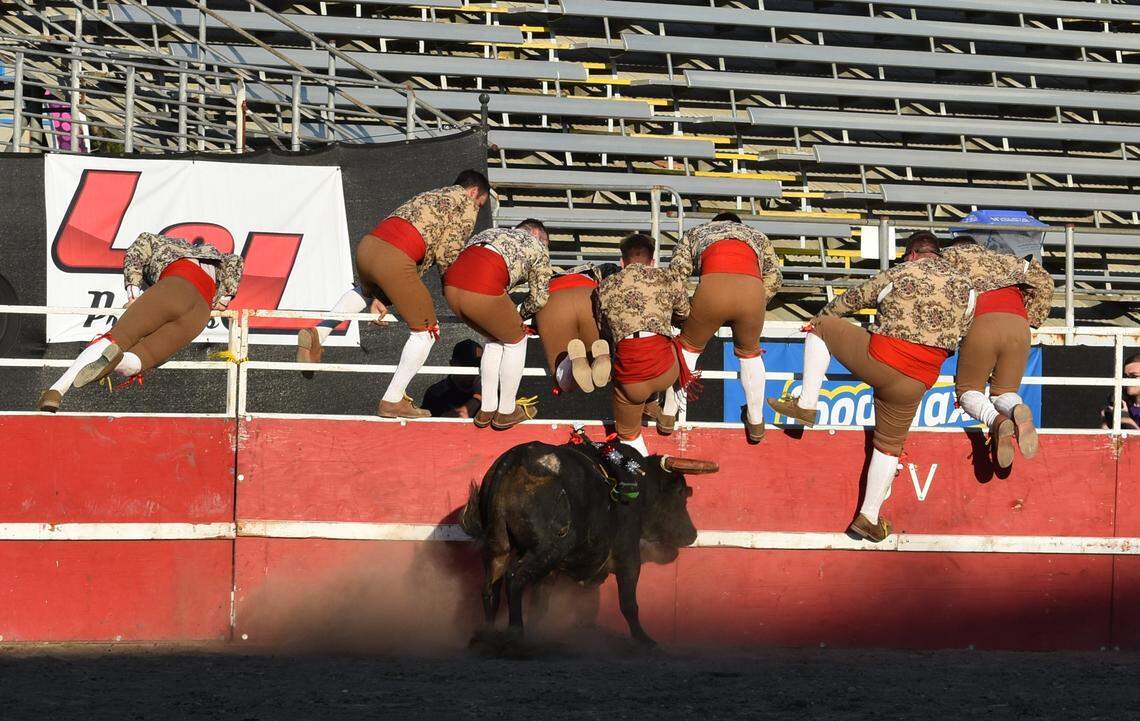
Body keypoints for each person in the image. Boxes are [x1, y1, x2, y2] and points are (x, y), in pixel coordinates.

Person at [767, 232, 975, 542]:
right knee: (889, 445)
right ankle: (868, 517)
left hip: (881, 359)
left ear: (913, 253)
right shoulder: (969, 289)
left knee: (823, 328)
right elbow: (962, 333)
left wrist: (819, 318)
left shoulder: (901, 272)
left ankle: (807, 404)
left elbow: (851, 299)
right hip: (918, 380)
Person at [295, 170, 490, 419]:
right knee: (427, 333)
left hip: (369, 248)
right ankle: (393, 399)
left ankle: (318, 332)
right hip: (396, 258)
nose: (477, 208)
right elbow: (447, 253)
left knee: (364, 292)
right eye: (480, 203)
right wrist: (455, 292)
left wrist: (383, 296)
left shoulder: (430, 195)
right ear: (474, 192)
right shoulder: (465, 202)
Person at [37, 232, 243, 412]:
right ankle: (118, 360)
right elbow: (236, 261)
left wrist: (133, 292)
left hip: (177, 286)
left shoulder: (161, 243)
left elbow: (136, 252)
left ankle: (56, 391)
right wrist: (224, 297)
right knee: (141, 360)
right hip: (199, 314)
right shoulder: (222, 259)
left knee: (115, 338)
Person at [664, 212, 783, 443]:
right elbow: (775, 277)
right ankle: (756, 421)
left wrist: (684, 309)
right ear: (740, 224)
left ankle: (669, 413)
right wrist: (758, 301)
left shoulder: (696, 232)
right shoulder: (757, 236)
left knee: (688, 349)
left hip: (712, 289)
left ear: (714, 223)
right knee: (750, 355)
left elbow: (676, 274)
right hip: (752, 291)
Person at [942, 235, 1054, 466]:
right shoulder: (1006, 260)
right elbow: (1045, 282)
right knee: (1003, 390)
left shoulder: (949, 257)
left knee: (967, 390)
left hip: (982, 321)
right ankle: (1015, 409)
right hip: (1019, 324)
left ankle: (995, 421)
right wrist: (1033, 316)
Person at [442, 219, 553, 431]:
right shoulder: (537, 245)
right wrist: (521, 315)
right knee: (517, 339)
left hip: (452, 287)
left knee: (494, 340)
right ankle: (506, 410)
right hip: (483, 285)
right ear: (538, 234)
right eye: (546, 243)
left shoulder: (490, 231)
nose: (546, 248)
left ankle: (487, 408)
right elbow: (540, 298)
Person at [598, 232, 694, 456]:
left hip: (632, 378)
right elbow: (684, 312)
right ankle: (666, 409)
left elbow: (604, 328)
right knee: (673, 341)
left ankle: (639, 468)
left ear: (622, 262)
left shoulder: (606, 285)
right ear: (652, 261)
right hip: (666, 372)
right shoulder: (667, 277)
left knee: (628, 433)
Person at [535, 262, 620, 395]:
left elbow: (533, 301)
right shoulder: (595, 272)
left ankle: (570, 360)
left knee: (562, 378)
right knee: (594, 357)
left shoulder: (545, 276)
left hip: (554, 295)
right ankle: (600, 358)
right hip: (588, 292)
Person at [421, 339, 483, 418]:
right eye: (468, 365)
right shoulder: (437, 393)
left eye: (479, 365)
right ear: (453, 363)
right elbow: (429, 425)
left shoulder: (491, 391)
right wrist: (478, 397)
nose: (474, 370)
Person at [1101, 353, 1140, 431]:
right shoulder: (1125, 405)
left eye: (1133, 376)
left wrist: (1124, 419)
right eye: (1125, 376)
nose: (1127, 380)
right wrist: (1106, 422)